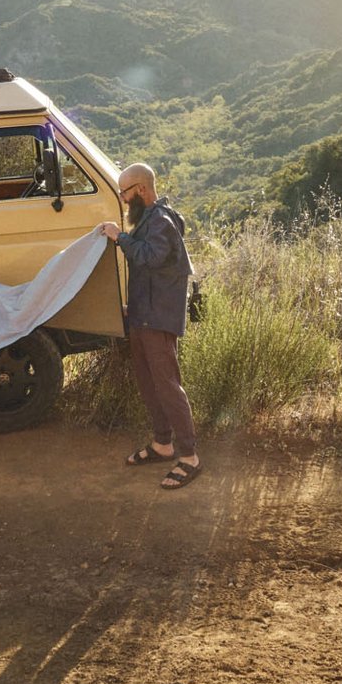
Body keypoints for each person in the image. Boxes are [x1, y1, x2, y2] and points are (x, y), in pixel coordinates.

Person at [97, 162, 200, 489]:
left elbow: (152, 257)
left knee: (167, 385)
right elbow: (149, 272)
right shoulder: (147, 219)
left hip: (158, 318)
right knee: (148, 382)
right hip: (143, 314)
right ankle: (163, 444)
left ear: (140, 189)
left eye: (124, 192)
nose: (123, 199)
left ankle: (189, 457)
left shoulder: (161, 222)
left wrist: (119, 238)